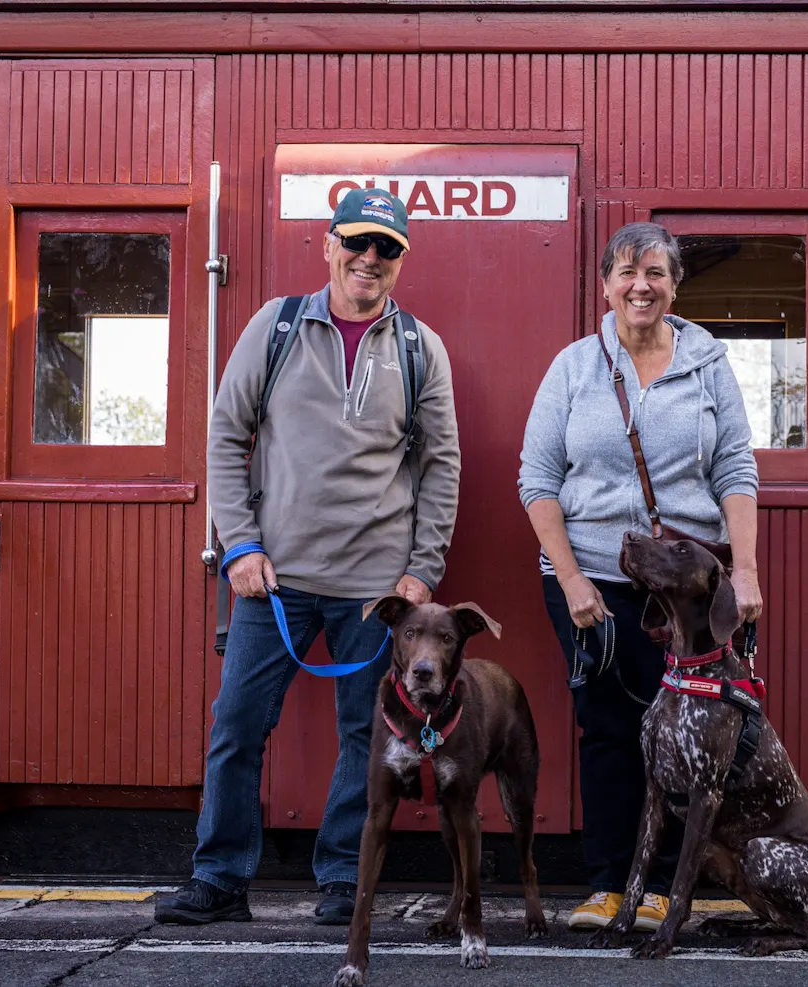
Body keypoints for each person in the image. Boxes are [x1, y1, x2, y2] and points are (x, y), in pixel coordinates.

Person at [155, 189, 461, 926]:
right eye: (358, 241)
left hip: (376, 590)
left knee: (367, 737)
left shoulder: (421, 347)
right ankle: (221, 879)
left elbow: (442, 464)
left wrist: (422, 569)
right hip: (273, 581)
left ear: (401, 260)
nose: (370, 258)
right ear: (328, 244)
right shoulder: (276, 326)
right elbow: (227, 438)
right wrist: (241, 546)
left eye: (387, 248)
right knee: (236, 726)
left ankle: (340, 882)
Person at [518, 221, 763, 932]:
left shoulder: (708, 363)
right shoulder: (573, 367)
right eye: (627, 272)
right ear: (605, 285)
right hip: (591, 577)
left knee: (686, 733)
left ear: (675, 284)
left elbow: (735, 471)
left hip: (684, 590)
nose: (641, 285)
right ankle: (606, 885)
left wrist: (743, 572)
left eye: (655, 272)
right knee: (609, 728)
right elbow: (536, 480)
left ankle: (657, 887)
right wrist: (570, 580)